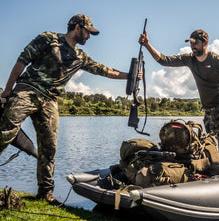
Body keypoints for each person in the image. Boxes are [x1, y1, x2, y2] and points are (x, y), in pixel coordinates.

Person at [0, 14, 141, 204]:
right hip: (28, 90)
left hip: (50, 100)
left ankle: (45, 193)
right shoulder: (49, 39)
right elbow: (22, 61)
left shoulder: (80, 57)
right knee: (5, 133)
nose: (89, 37)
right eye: (87, 32)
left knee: (49, 147)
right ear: (77, 27)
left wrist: (130, 75)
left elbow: (105, 70)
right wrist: (8, 89)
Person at [139, 29, 219, 133]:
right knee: (211, 143)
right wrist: (147, 44)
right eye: (191, 43)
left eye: (195, 43)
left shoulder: (216, 61)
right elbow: (164, 60)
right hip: (208, 110)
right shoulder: (190, 59)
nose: (192, 46)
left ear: (205, 42)